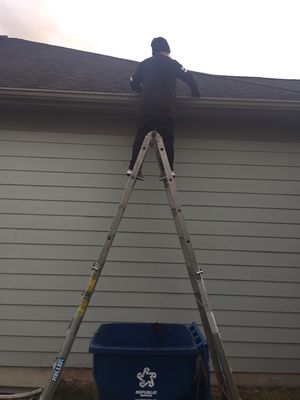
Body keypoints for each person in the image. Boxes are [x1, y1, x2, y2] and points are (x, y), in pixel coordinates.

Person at [127, 37, 201, 180]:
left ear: (153, 50)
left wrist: (142, 90)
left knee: (141, 137)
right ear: (167, 50)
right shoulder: (172, 64)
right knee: (166, 138)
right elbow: (190, 77)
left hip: (146, 107)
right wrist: (195, 91)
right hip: (165, 109)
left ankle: (133, 168)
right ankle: (167, 170)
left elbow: (133, 82)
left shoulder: (145, 64)